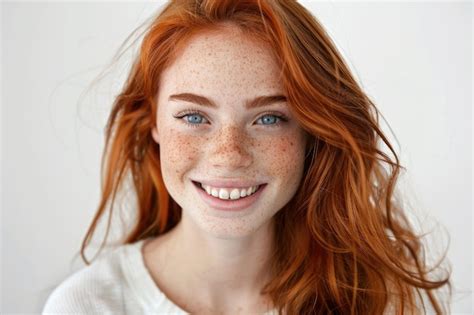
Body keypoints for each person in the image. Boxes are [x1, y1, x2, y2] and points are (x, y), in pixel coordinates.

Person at [42, 0, 452, 314]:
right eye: (193, 116)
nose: (229, 155)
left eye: (269, 118)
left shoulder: (378, 300)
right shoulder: (87, 305)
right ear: (152, 122)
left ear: (312, 129)